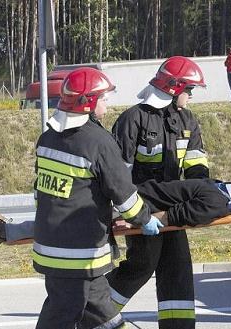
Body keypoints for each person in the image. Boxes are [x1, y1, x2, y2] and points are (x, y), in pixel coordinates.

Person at [29, 67, 158, 329]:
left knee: (95, 314)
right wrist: (144, 219)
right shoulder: (99, 142)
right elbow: (123, 195)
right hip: (80, 254)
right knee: (64, 316)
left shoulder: (47, 139)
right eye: (104, 98)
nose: (107, 104)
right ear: (88, 102)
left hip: (51, 249)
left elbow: (40, 194)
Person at [109, 56, 209, 329]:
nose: (190, 95)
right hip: (141, 211)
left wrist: (202, 197)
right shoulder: (133, 120)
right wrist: (121, 211)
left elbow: (197, 166)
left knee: (178, 270)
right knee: (142, 265)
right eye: (188, 90)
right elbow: (117, 175)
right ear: (174, 88)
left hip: (175, 212)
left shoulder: (188, 121)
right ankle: (94, 314)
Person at [0, 170, 231, 245]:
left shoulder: (220, 201)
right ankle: (8, 225)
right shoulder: (221, 189)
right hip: (132, 196)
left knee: (66, 221)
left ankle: (3, 231)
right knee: (66, 211)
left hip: (132, 206)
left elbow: (179, 215)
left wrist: (135, 220)